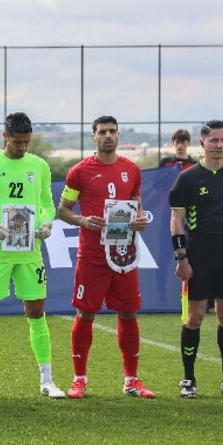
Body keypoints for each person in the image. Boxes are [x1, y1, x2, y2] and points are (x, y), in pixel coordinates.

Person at [0, 112, 65, 399]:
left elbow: (47, 204)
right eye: (17, 142)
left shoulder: (40, 166)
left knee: (36, 312)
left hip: (30, 252)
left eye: (27, 142)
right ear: (4, 137)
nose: (22, 147)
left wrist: (46, 222)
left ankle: (47, 380)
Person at [56, 115, 154, 399]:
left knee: (128, 312)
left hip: (123, 253)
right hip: (93, 256)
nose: (108, 136)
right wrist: (82, 220)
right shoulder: (80, 172)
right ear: (93, 137)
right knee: (85, 312)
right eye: (102, 132)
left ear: (119, 135)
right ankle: (79, 379)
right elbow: (63, 209)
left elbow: (136, 204)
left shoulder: (131, 170)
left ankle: (132, 380)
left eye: (112, 131)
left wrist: (139, 220)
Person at [170, 119, 223, 398]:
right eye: (214, 140)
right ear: (202, 143)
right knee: (194, 318)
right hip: (198, 254)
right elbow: (177, 221)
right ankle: (188, 380)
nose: (220, 145)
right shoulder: (188, 178)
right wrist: (181, 257)